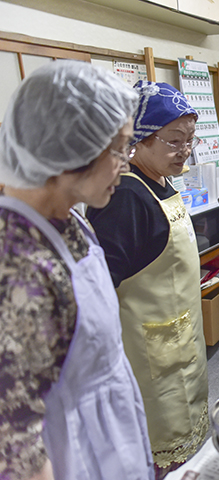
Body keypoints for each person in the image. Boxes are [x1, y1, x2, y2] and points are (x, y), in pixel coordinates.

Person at [0, 61, 153, 479]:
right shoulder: (20, 265)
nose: (127, 161)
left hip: (107, 428)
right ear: (71, 150)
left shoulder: (70, 217)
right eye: (120, 147)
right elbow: (14, 443)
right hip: (68, 454)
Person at [86, 81, 208, 477]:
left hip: (181, 340)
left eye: (189, 139)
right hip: (148, 358)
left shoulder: (160, 182)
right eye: (174, 141)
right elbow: (100, 287)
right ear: (138, 140)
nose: (184, 150)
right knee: (157, 454)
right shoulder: (124, 196)